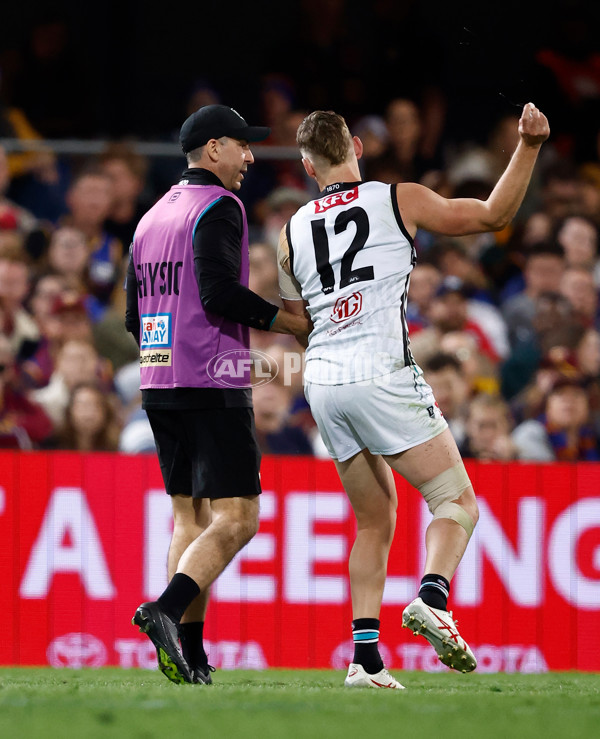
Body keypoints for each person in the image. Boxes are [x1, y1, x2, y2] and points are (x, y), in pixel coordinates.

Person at [278, 104, 549, 689]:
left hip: (322, 379)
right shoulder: (398, 198)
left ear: (306, 165)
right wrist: (528, 145)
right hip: (381, 369)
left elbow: (298, 318)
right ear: (354, 143)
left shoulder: (291, 229)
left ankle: (365, 660)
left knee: (374, 520)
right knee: (455, 502)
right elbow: (494, 216)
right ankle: (433, 596)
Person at [125, 104, 310, 686]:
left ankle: (194, 656)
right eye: (241, 145)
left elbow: (134, 314)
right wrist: (289, 324)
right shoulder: (220, 206)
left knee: (190, 516)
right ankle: (166, 611)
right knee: (240, 517)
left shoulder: (152, 216)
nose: (250, 156)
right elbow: (220, 293)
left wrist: (167, 348)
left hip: (158, 377)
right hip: (210, 376)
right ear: (212, 150)